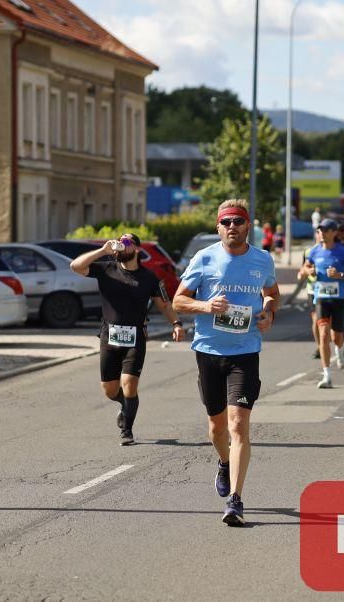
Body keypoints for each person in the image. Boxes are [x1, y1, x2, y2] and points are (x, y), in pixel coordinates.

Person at [173, 200, 279, 527]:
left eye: (238, 221)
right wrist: (206, 306)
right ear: (218, 227)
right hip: (208, 351)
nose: (232, 226)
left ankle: (235, 499)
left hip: (245, 352)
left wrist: (269, 312)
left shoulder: (262, 259)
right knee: (217, 428)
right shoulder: (204, 258)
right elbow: (178, 300)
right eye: (226, 222)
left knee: (238, 425)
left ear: (248, 226)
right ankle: (223, 461)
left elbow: (272, 293)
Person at [71, 233, 186, 445]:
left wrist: (176, 324)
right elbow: (75, 266)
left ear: (137, 249)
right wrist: (103, 250)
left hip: (136, 338)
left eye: (126, 242)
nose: (121, 245)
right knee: (110, 390)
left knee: (129, 384)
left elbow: (164, 304)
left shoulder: (149, 277)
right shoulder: (106, 269)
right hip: (109, 337)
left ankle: (127, 430)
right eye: (119, 242)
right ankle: (125, 404)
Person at [303, 218, 344, 389]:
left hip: (340, 297)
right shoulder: (314, 251)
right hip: (321, 296)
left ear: (334, 233)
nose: (322, 233)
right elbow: (306, 267)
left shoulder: (343, 252)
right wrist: (310, 271)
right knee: (323, 334)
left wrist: (340, 275)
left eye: (326, 230)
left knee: (336, 335)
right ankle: (327, 375)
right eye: (320, 230)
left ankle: (340, 349)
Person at [297, 228, 324, 360]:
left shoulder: (335, 250)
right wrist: (306, 272)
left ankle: (335, 344)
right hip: (313, 289)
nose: (321, 235)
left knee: (328, 322)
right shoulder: (309, 251)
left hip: (330, 290)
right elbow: (302, 270)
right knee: (316, 320)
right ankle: (320, 347)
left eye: (323, 232)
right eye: (319, 232)